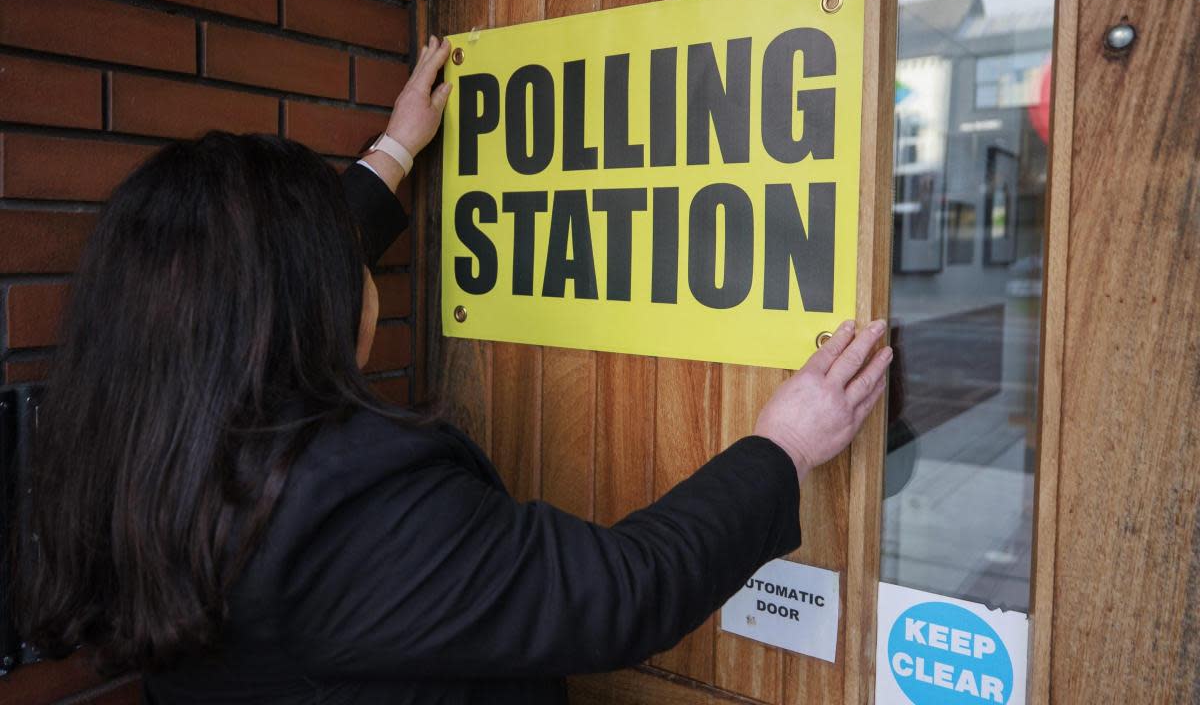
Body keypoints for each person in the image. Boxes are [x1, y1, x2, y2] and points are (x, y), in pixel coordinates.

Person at [16, 36, 892, 704]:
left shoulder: (132, 446)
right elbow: (630, 591)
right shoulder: (352, 514)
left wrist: (395, 151)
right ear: (300, 309)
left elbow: (242, 276)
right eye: (341, 264)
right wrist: (783, 443)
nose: (362, 279)